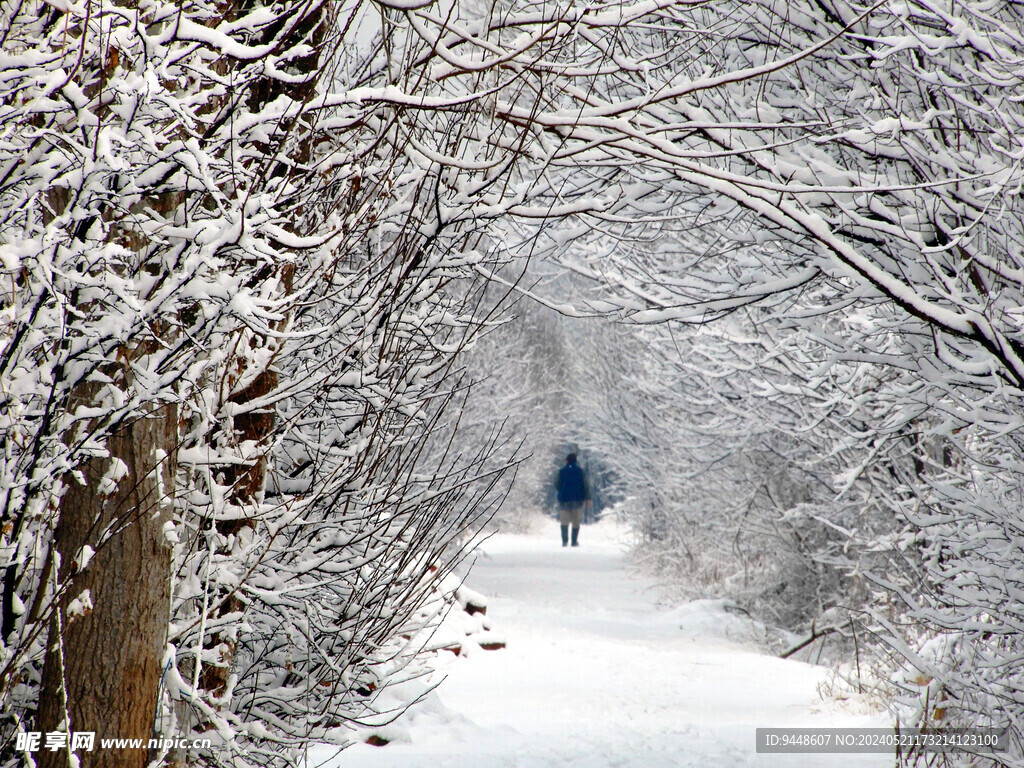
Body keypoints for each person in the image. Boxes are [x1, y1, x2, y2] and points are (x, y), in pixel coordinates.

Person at [556, 453, 589, 547]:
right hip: (577, 500)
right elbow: (585, 485)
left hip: (564, 499)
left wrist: (562, 490)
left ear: (567, 460)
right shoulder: (580, 471)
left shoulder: (561, 471)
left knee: (564, 521)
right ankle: (574, 541)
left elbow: (557, 484)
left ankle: (564, 541)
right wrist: (587, 498)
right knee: (576, 521)